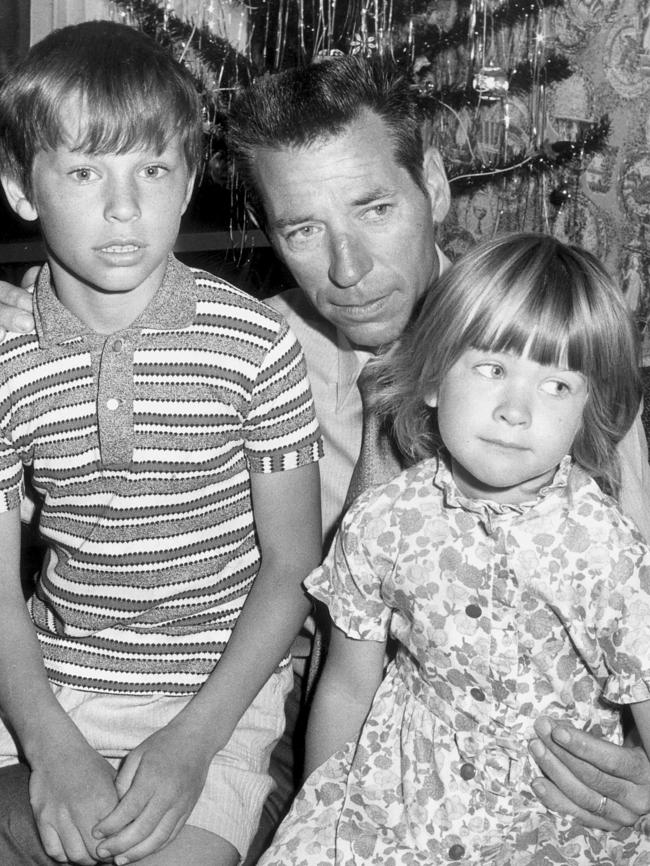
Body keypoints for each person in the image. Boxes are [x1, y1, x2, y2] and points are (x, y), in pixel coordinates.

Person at [1, 53, 650, 862]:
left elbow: (634, 590)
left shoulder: (549, 368)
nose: (346, 271)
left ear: (436, 188)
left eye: (375, 208)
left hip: (533, 753)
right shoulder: (254, 347)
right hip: (291, 714)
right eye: (303, 230)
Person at [0, 20, 322, 866]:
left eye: (152, 169)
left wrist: (194, 745)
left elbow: (291, 567)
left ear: (187, 185)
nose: (122, 207)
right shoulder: (3, 358)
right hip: (50, 680)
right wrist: (51, 746)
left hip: (219, 690)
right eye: (83, 170)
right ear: (19, 186)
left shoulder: (256, 347)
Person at [259, 232, 650, 865]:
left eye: (556, 386)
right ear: (435, 378)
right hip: (402, 799)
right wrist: (323, 807)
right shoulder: (384, 519)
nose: (515, 411)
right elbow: (348, 686)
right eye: (492, 369)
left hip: (552, 820)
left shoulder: (607, 552)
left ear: (587, 411)